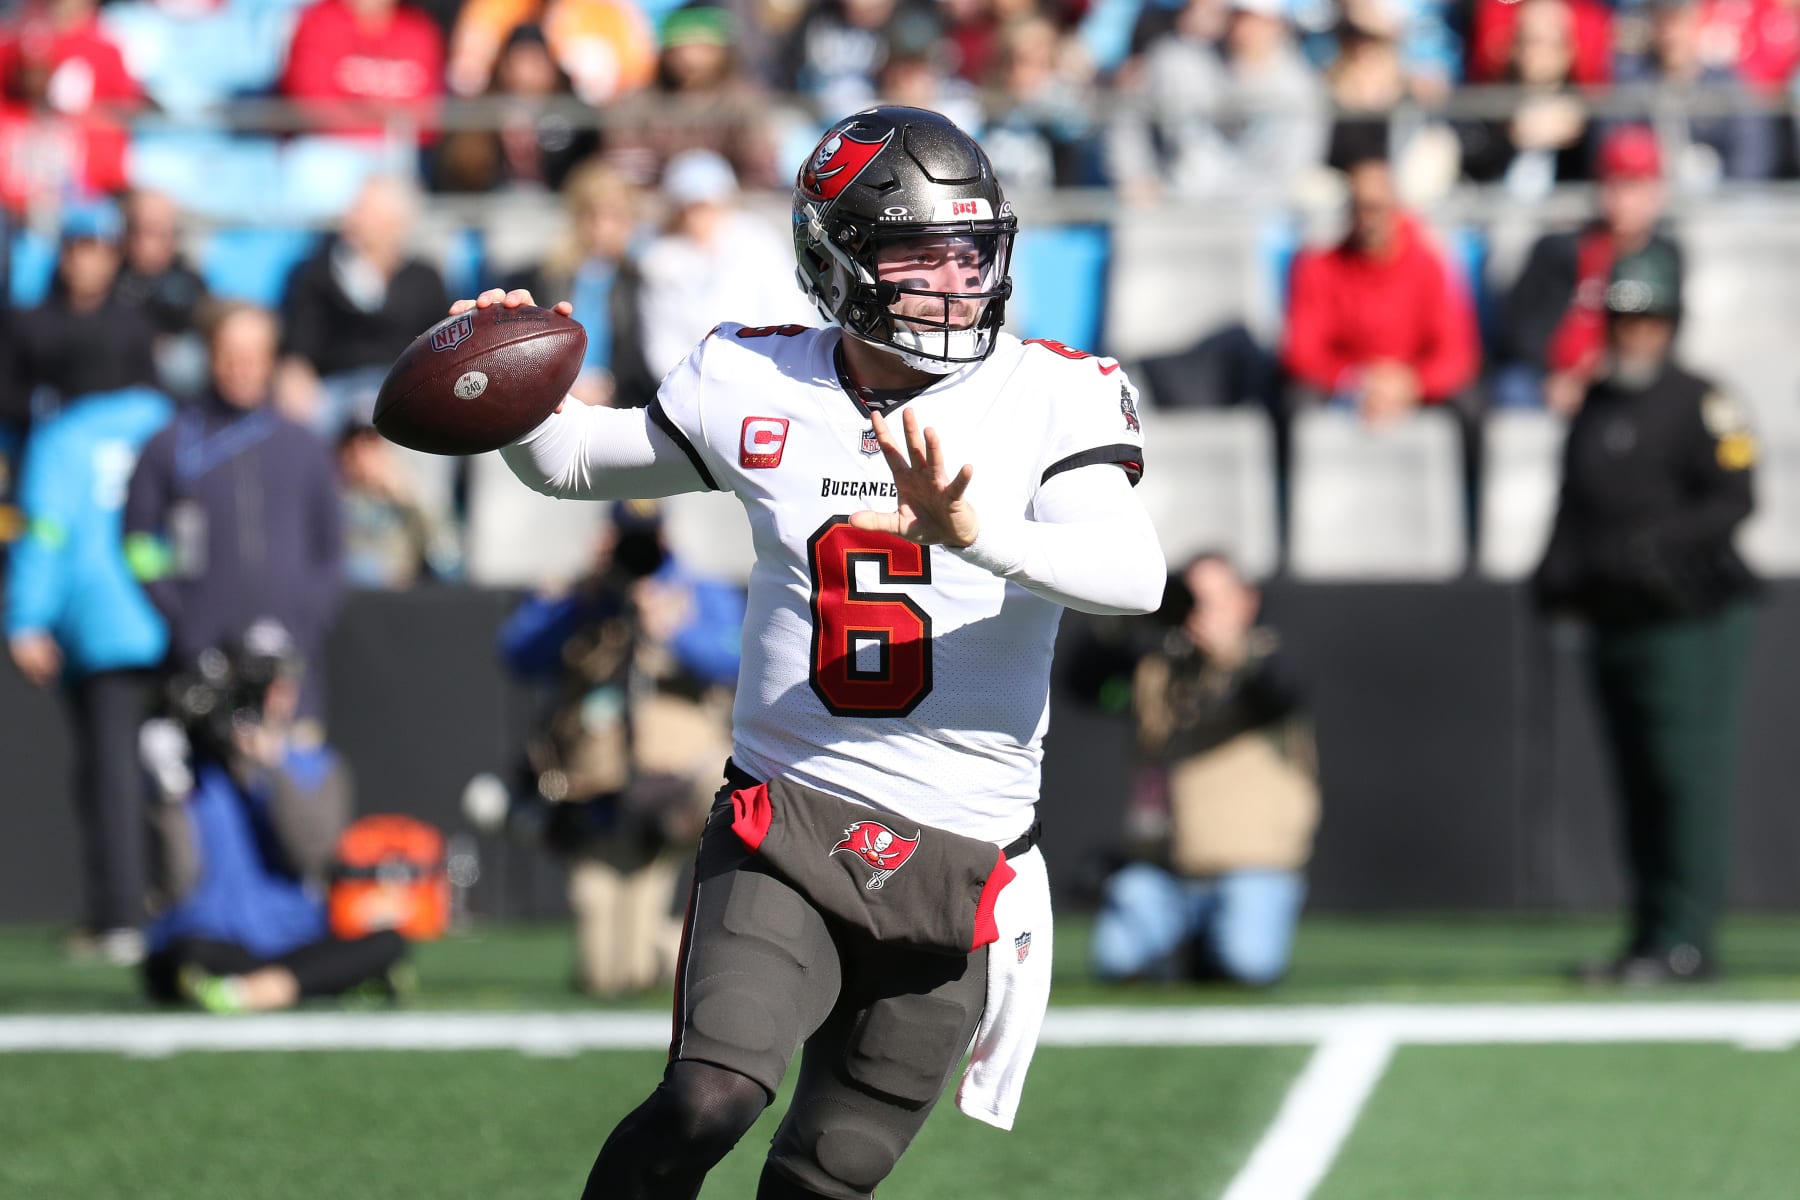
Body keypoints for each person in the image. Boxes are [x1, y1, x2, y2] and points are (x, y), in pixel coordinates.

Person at [469, 105, 1165, 1199]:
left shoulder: (1055, 394)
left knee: (823, 1180)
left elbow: (1135, 577)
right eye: (915, 254)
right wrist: (502, 377)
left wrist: (980, 534)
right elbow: (567, 463)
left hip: (961, 859)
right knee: (710, 1096)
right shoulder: (756, 381)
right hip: (787, 818)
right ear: (835, 261)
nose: (953, 281)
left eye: (971, 251)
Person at [1533, 243, 1758, 985]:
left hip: (1687, 622)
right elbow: (1570, 507)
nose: (1634, 332)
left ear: (1671, 321)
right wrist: (1554, 582)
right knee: (1633, 778)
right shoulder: (1596, 403)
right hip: (1614, 620)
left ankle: (1688, 940)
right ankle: (1649, 935)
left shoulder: (1702, 400)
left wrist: (1658, 547)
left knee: (1683, 778)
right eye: (1623, 318)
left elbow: (1736, 499)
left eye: (1647, 317)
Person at [497, 500, 744, 996]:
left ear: (665, 538)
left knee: (726, 775)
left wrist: (675, 630)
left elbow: (739, 659)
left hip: (675, 786)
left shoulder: (698, 592)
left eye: (645, 539)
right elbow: (516, 654)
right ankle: (675, 947)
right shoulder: (581, 597)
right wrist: (577, 602)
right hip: (600, 790)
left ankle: (685, 936)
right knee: (609, 977)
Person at [139, 621, 409, 1013]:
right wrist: (169, 794)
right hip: (215, 939)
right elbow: (178, 881)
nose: (275, 697)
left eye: (281, 683)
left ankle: (257, 990)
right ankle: (308, 984)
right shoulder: (194, 771)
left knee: (387, 942)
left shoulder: (319, 766)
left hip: (292, 938)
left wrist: (273, 769)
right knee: (179, 956)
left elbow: (311, 856)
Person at [1090, 553, 1317, 987]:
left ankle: (1199, 951)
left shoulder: (1268, 658)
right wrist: (1126, 618)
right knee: (1116, 962)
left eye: (1214, 600)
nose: (1201, 614)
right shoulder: (1160, 670)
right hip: (1166, 871)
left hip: (1251, 867)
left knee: (1248, 964)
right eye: (1193, 601)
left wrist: (1231, 656)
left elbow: (1284, 688)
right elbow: (1086, 680)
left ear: (1247, 602)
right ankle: (1185, 948)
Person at [6, 383, 175, 965]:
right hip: (178, 616)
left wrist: (27, 617)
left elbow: (47, 532)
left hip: (103, 625)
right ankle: (193, 904)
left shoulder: (62, 438)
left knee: (113, 777)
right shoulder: (171, 419)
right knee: (189, 771)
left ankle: (122, 914)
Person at [123, 303, 346, 726]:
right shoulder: (168, 445)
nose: (241, 368)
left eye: (253, 356)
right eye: (230, 354)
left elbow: (331, 548)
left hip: (292, 670)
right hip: (199, 667)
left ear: (270, 361)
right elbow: (137, 542)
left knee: (296, 789)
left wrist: (308, 617)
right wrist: (178, 610)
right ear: (210, 355)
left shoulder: (305, 447)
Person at [1281, 152, 1481, 426]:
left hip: (1410, 381)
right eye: (1360, 207)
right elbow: (1301, 349)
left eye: (1377, 208)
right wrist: (1357, 379)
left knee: (1471, 403)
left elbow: (1456, 352)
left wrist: (1411, 383)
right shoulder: (1318, 265)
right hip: (1347, 381)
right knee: (1294, 401)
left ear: (1397, 209)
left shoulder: (1429, 264)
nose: (1369, 219)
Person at [1494, 125, 1680, 414]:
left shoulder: (1664, 257)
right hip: (1547, 378)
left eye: (1635, 186)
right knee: (1511, 389)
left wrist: (1604, 376)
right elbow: (1519, 329)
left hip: (1621, 379)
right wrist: (1554, 377)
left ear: (1657, 193)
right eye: (1615, 184)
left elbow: (1663, 337)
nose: (1624, 200)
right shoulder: (1557, 248)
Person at [276, 175, 451, 435]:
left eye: (364, 211)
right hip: (336, 390)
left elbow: (442, 345)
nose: (352, 217)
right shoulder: (317, 273)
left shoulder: (424, 278)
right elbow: (299, 348)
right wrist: (294, 375)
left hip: (404, 387)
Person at [633, 148, 816, 379]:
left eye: (708, 205)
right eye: (691, 207)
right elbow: (662, 345)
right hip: (696, 389)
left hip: (769, 377)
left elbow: (791, 313)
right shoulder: (661, 261)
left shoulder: (758, 241)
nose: (699, 216)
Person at [503, 160, 657, 408]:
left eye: (614, 216)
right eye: (593, 215)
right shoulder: (542, 278)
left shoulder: (637, 281)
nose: (602, 227)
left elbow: (639, 357)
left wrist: (609, 384)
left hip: (617, 407)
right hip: (554, 404)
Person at [10, 199, 159, 419]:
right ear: (64, 254)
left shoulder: (135, 326)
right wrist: (38, 404)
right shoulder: (27, 322)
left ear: (116, 259)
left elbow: (151, 398)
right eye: (81, 248)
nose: (87, 262)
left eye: (101, 252)